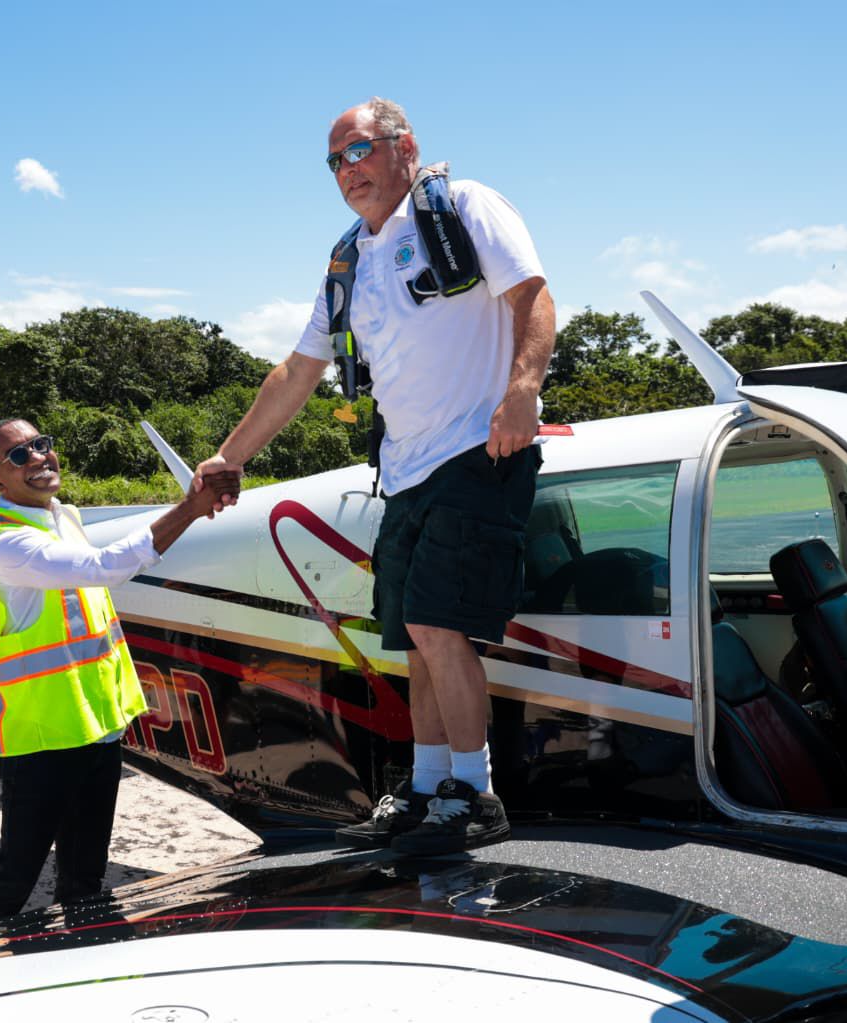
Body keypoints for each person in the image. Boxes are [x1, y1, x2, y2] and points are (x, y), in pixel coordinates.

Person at [194, 98, 554, 853]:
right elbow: (298, 371)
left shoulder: (462, 206)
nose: (347, 170)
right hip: (405, 472)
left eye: (358, 150)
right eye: (335, 160)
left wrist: (522, 390)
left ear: (405, 145)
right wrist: (231, 456)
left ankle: (476, 794)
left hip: (477, 451)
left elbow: (532, 294)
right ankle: (428, 788)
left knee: (437, 624)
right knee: (415, 640)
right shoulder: (348, 261)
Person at [0, 418, 239, 925]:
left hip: (96, 725)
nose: (38, 457)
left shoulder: (64, 518)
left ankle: (85, 950)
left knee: (86, 871)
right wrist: (190, 508)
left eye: (41, 445)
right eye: (19, 455)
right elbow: (104, 567)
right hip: (42, 736)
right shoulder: (8, 544)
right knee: (16, 874)